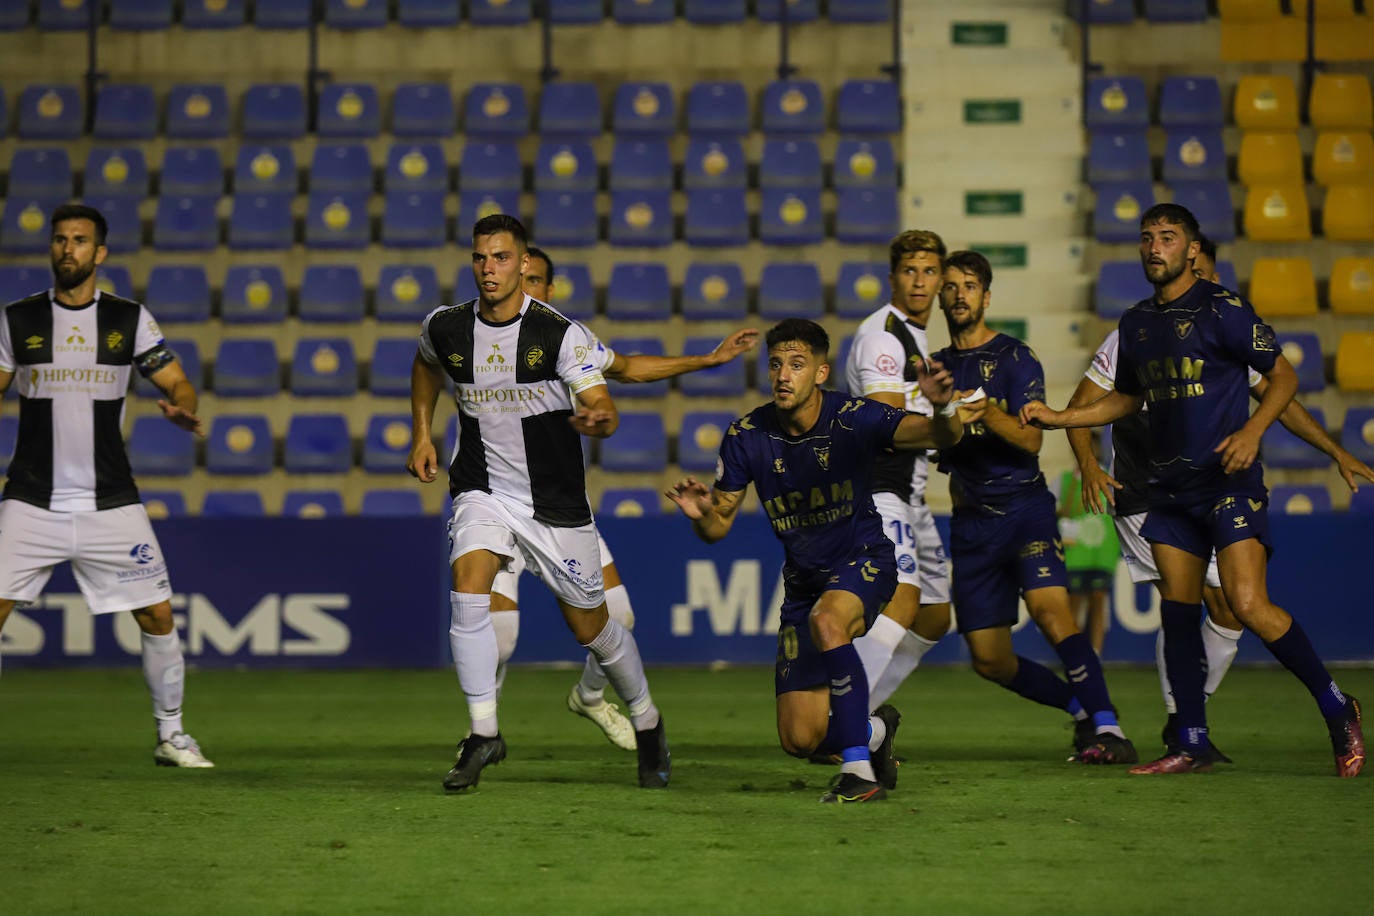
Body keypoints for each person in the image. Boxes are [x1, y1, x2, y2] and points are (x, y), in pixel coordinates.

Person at [1021, 203, 1364, 777]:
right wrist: (1062, 419)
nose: (1155, 247)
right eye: (1147, 238)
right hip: (1167, 489)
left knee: (1246, 604)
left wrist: (1256, 434)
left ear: (1192, 250)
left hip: (1227, 483)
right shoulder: (1135, 324)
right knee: (1178, 615)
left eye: (1168, 237)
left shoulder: (1224, 310)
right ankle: (1191, 741)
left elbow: (1280, 377)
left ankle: (1337, 707)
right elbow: (1128, 398)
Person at [408, 215, 670, 791]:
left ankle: (648, 723)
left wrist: (599, 418)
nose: (488, 269)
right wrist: (422, 433)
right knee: (467, 586)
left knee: (596, 630)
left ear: (523, 264)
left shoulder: (560, 333)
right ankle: (483, 734)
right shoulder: (447, 326)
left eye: (500, 258)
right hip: (483, 489)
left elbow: (601, 397)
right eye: (480, 258)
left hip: (553, 506)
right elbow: (426, 364)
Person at [667, 318, 975, 803]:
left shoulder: (855, 417)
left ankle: (858, 774)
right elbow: (717, 527)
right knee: (800, 739)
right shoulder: (747, 435)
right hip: (805, 584)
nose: (783, 375)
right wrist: (701, 515)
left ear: (821, 372)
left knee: (828, 622)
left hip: (866, 560)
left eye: (796, 364)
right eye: (775, 365)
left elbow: (946, 436)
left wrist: (944, 405)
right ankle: (873, 733)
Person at [488, 245, 759, 751]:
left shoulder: (568, 340)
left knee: (620, 619)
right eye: (518, 276)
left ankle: (590, 697)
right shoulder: (481, 338)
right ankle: (480, 734)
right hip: (495, 507)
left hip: (559, 509)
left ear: (548, 287)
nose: (526, 287)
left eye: (537, 279)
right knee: (499, 640)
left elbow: (630, 367)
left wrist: (708, 358)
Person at [0, 204, 211, 767]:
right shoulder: (17, 321)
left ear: (100, 253)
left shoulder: (128, 320)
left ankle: (171, 736)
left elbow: (177, 379)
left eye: (80, 241)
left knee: (158, 616)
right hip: (30, 500)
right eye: (60, 240)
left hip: (109, 501)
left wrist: (181, 407)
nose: (68, 249)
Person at [931, 250, 1137, 764]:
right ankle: (1081, 711)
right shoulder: (935, 369)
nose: (960, 294)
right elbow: (936, 444)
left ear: (986, 296)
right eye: (951, 286)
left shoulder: (1015, 359)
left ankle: (1109, 727)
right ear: (941, 297)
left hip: (1024, 511)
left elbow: (1030, 442)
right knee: (989, 659)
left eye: (970, 285)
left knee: (1052, 614)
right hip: (972, 523)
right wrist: (941, 420)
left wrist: (987, 411)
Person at [844, 230, 954, 713]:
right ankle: (841, 722)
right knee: (901, 603)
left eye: (929, 271)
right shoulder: (883, 336)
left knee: (933, 616)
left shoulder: (918, 338)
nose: (919, 281)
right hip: (878, 487)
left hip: (911, 493)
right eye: (910, 271)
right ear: (892, 278)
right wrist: (948, 416)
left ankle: (861, 709)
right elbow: (883, 420)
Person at [1055, 441, 1120, 655]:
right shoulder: (1065, 479)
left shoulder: (1110, 475)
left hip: (1102, 551)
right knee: (1074, 602)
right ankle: (1075, 654)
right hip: (1075, 552)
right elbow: (1061, 511)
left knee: (1098, 600)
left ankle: (1095, 652)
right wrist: (1075, 483)